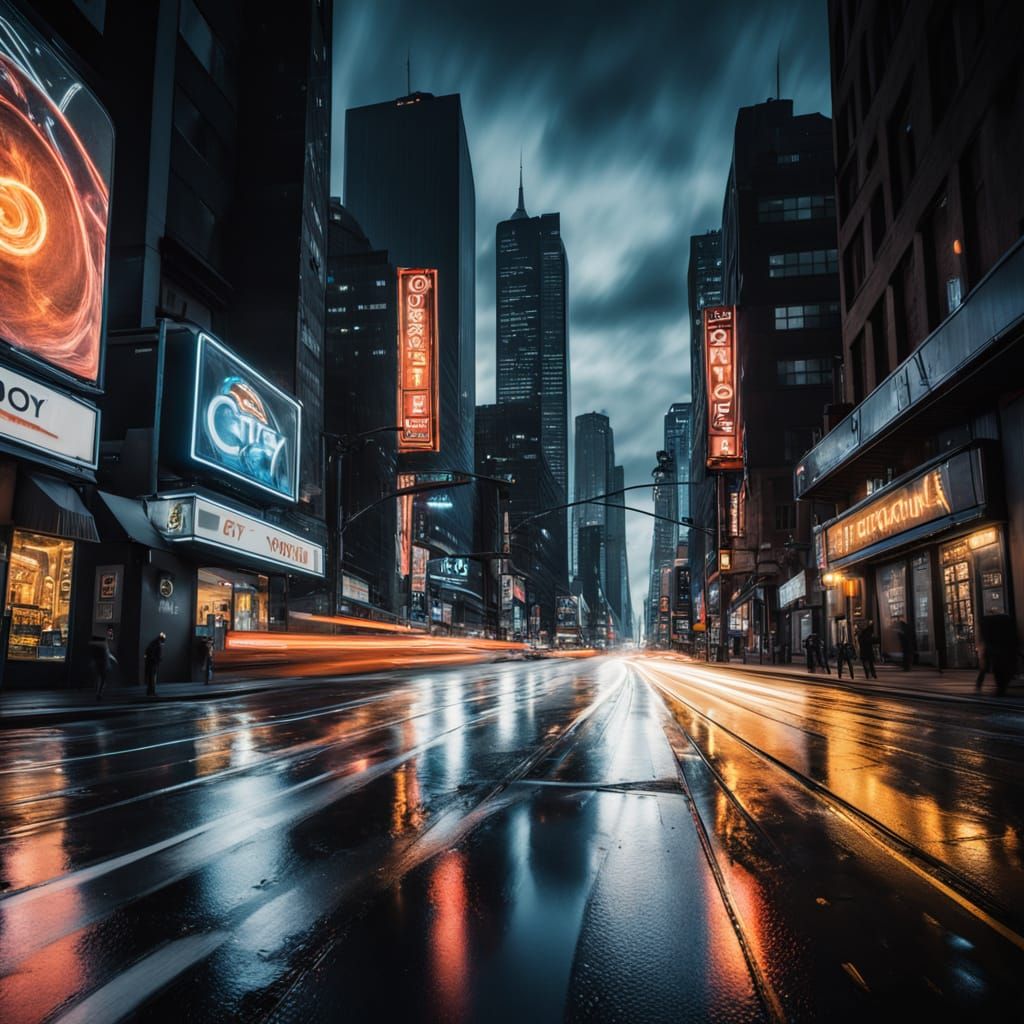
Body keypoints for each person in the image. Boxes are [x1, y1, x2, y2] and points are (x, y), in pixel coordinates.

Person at [88, 634, 116, 700]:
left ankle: (98, 692)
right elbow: (108, 654)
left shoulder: (94, 646)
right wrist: (114, 659)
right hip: (103, 664)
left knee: (98, 678)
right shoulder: (103, 646)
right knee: (102, 679)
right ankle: (99, 693)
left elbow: (93, 656)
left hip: (97, 664)